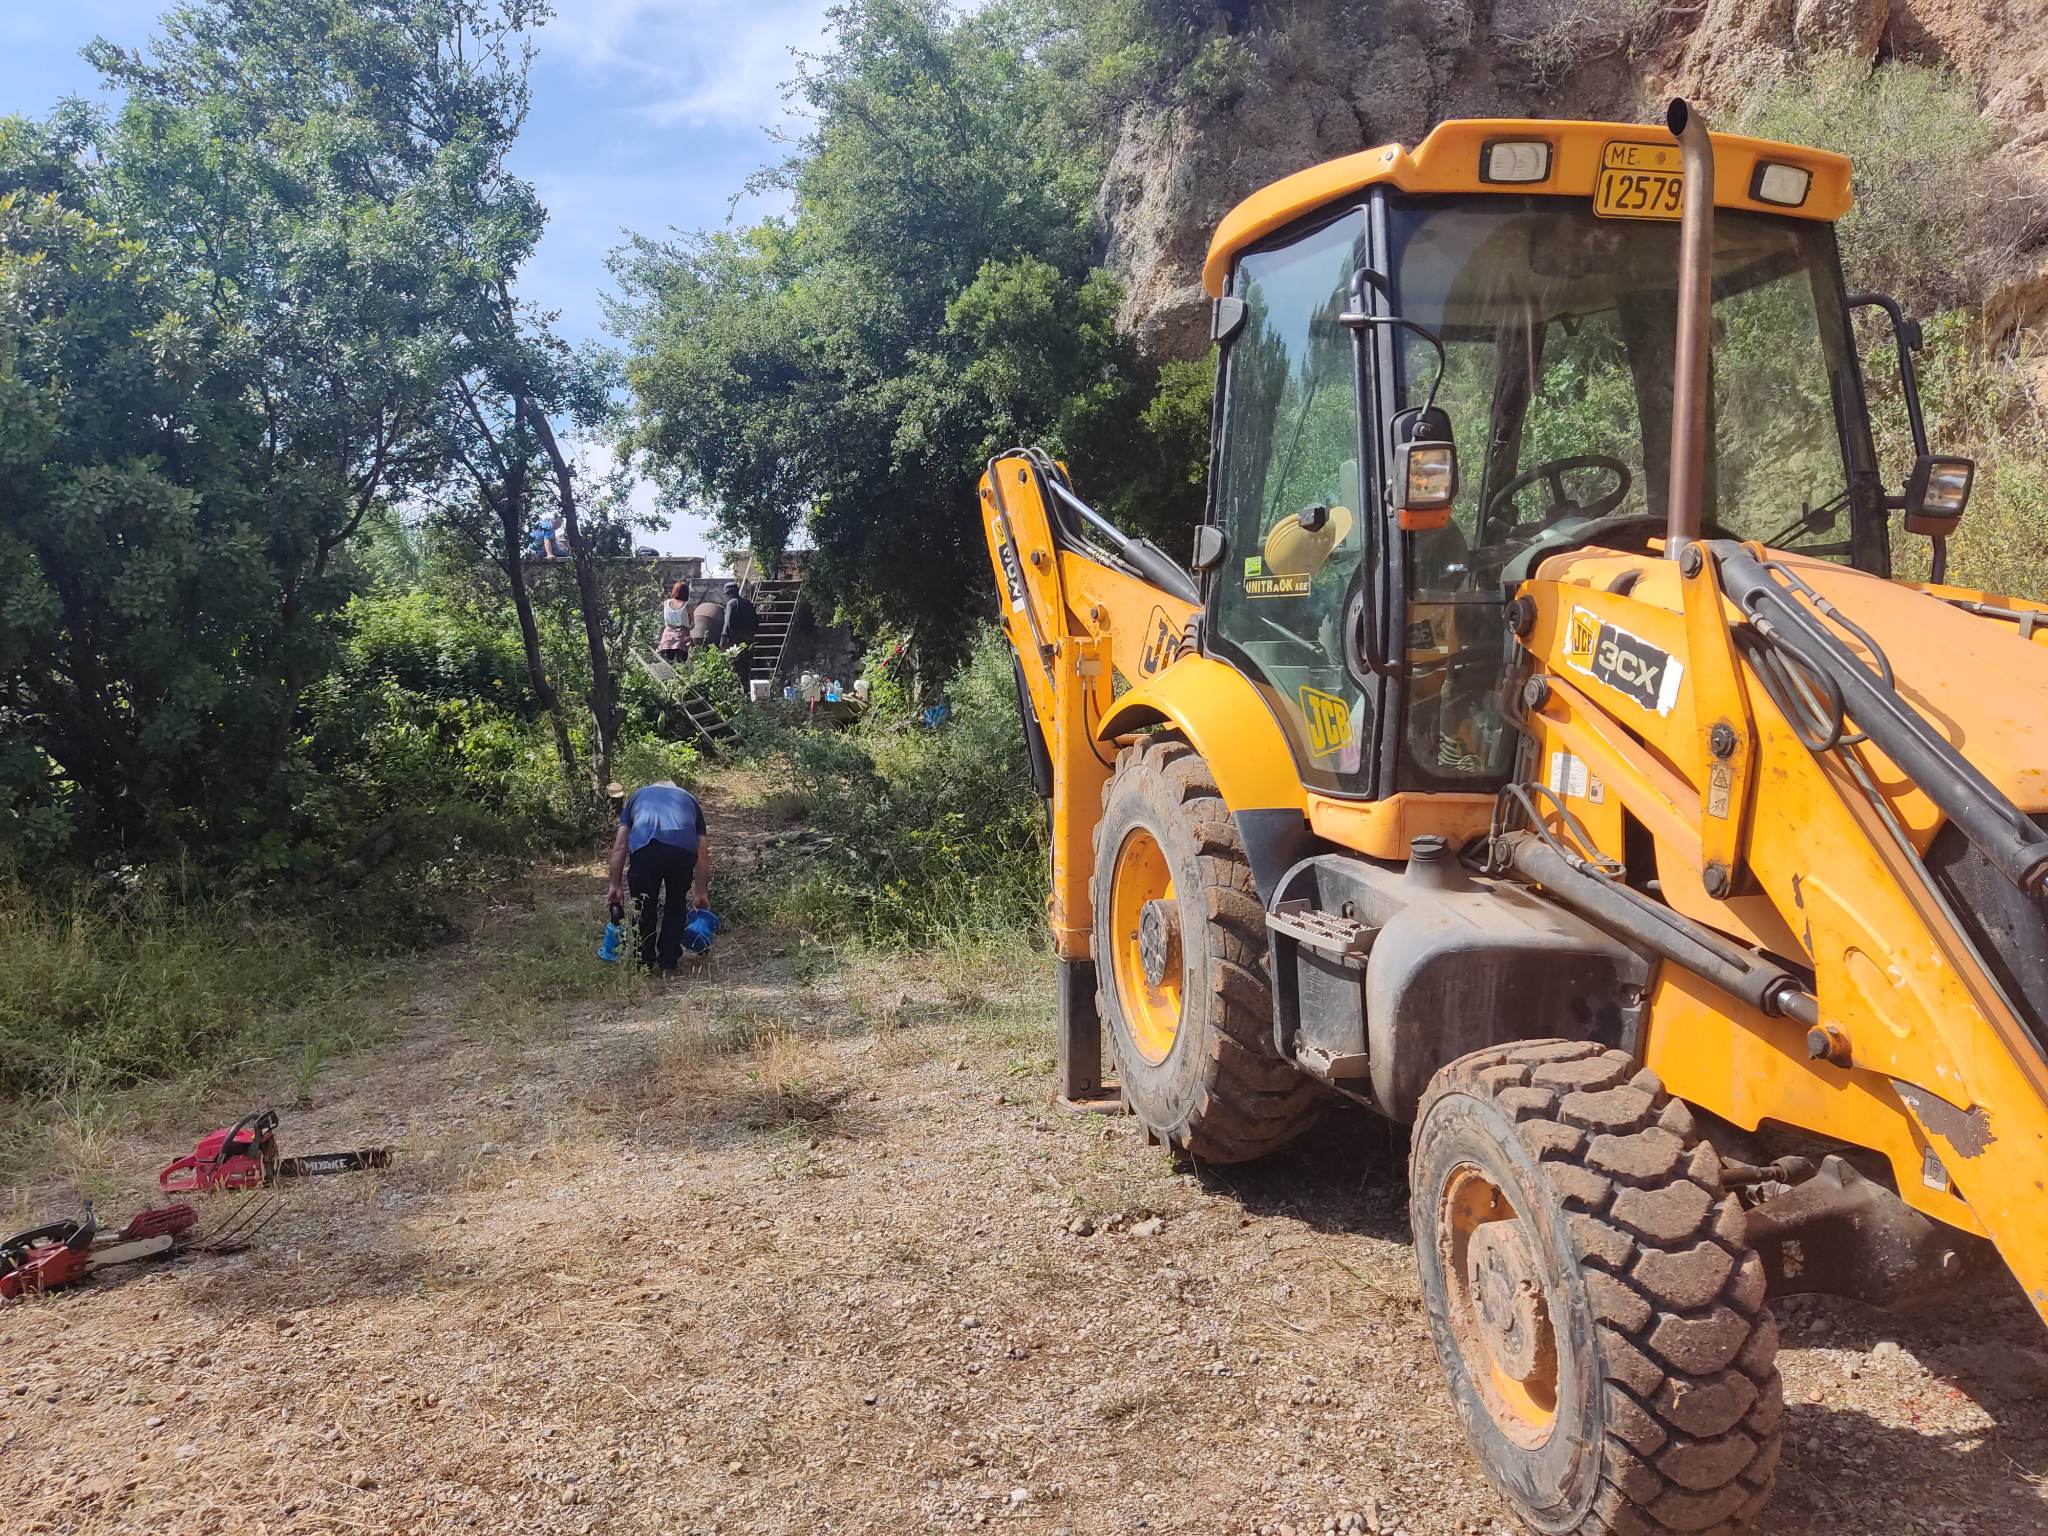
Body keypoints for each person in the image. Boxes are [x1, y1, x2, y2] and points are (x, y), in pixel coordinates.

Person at [607, 778, 710, 975]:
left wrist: (615, 885)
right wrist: (701, 891)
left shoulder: (637, 796)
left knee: (644, 905)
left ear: (653, 785)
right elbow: (703, 853)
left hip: (647, 849)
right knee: (676, 903)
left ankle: (644, 963)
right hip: (683, 851)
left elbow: (620, 846)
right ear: (674, 787)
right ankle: (669, 962)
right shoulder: (689, 799)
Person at [721, 580, 760, 691]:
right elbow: (757, 623)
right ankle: (750, 693)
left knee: (737, 668)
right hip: (750, 640)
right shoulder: (747, 603)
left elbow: (727, 624)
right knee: (748, 668)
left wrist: (723, 640)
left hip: (737, 642)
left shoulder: (731, 603)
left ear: (728, 593)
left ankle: (743, 694)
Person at [658, 582, 689, 664]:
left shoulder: (666, 603)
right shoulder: (687, 605)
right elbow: (693, 624)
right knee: (681, 664)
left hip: (667, 638)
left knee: (667, 663)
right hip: (681, 639)